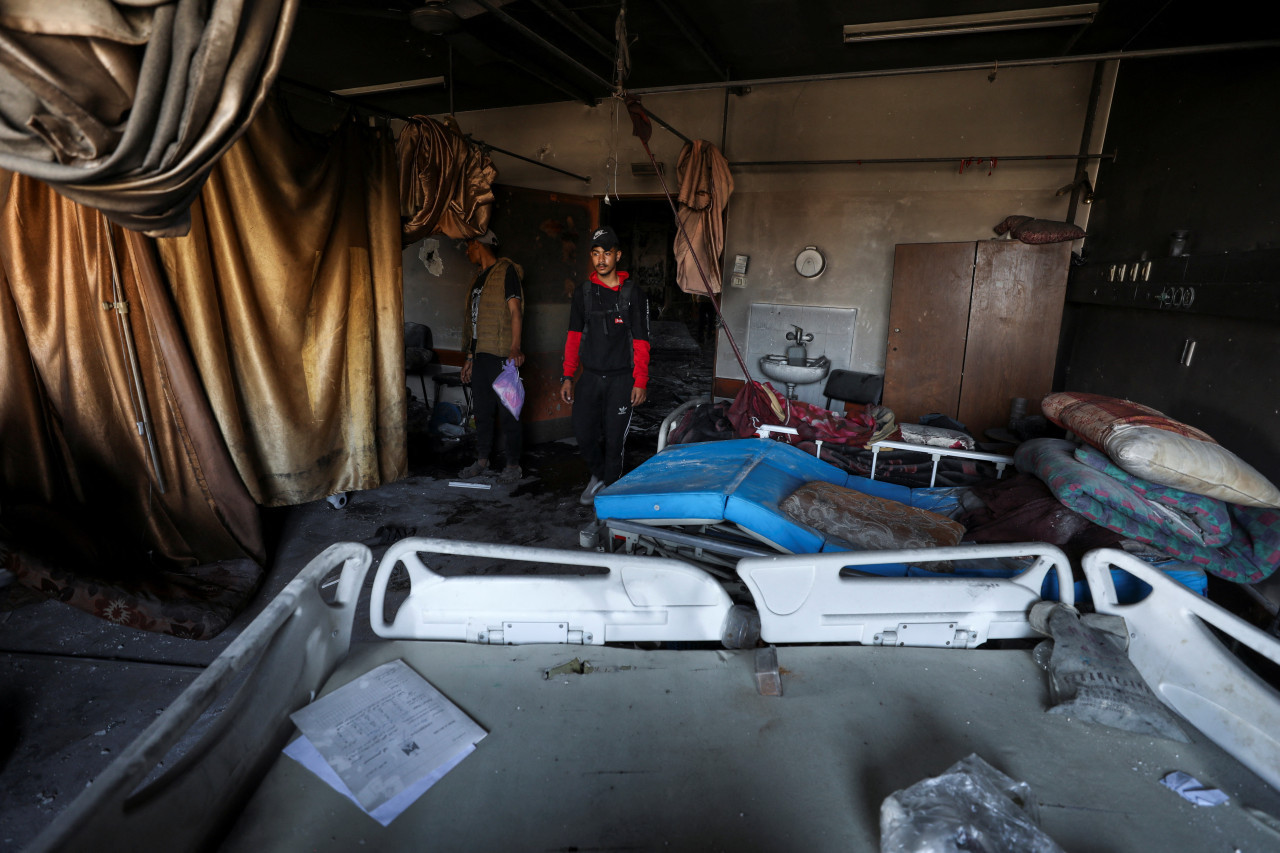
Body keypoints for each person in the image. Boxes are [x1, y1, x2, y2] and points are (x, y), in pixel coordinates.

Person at [560, 225, 650, 505]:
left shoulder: (633, 294)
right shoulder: (583, 293)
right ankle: (599, 476)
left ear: (618, 256)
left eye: (607, 253)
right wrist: (567, 375)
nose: (601, 260)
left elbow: (641, 341)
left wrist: (640, 381)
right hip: (590, 378)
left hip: (621, 380)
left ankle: (611, 496)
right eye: (596, 254)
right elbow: (573, 337)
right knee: (582, 431)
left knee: (614, 441)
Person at [458, 230, 525, 484]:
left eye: (468, 247)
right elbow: (474, 324)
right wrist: (469, 357)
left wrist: (515, 347)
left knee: (509, 411)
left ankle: (513, 464)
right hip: (481, 356)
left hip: (502, 356)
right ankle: (482, 460)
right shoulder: (478, 279)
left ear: (477, 244)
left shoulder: (506, 271)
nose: (467, 253)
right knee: (482, 412)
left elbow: (515, 312)